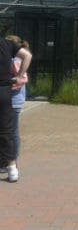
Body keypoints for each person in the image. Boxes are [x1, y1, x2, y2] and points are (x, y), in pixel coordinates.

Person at [0, 35, 31, 182]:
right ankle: (12, 168)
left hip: (9, 94)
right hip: (5, 92)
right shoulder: (7, 44)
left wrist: (19, 77)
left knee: (11, 131)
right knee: (7, 131)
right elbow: (27, 55)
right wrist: (18, 76)